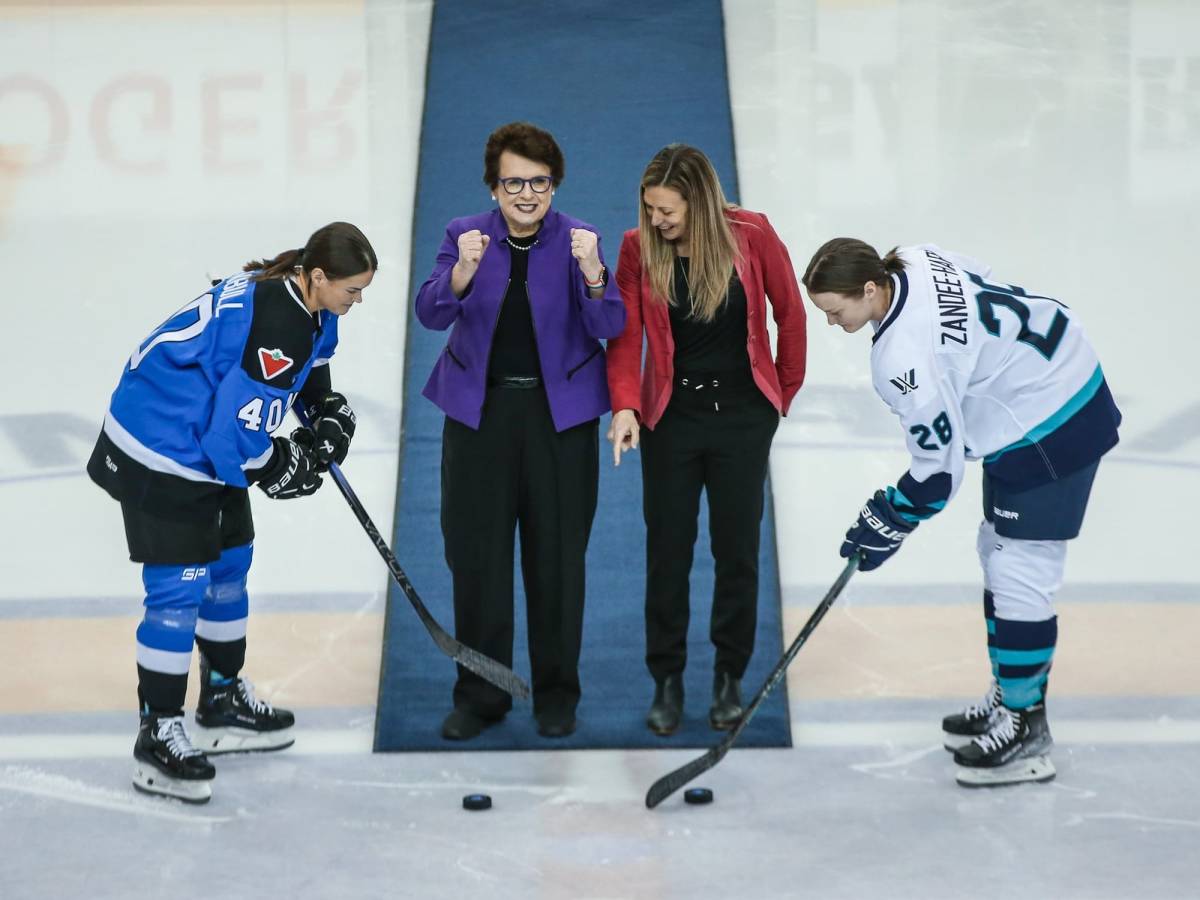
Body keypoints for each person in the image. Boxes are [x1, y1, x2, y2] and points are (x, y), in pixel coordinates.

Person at [802, 237, 1121, 786]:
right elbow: (983, 278)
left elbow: (938, 475)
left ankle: (1027, 728)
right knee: (996, 551)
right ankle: (1011, 694)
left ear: (871, 289)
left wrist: (888, 517)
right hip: (1044, 380)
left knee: (1020, 570)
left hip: (1052, 419)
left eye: (836, 311)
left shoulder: (902, 360)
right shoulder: (916, 255)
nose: (833, 324)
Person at [87, 222, 377, 803]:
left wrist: (324, 411)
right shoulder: (279, 322)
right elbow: (231, 441)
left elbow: (309, 362)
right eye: (352, 290)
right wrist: (280, 466)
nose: (357, 301)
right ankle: (158, 733)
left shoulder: (305, 300)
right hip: (161, 448)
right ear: (318, 277)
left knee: (229, 564)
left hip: (197, 437)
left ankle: (220, 699)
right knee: (178, 588)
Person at [415, 122, 625, 741]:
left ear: (554, 185)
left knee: (558, 558)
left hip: (558, 422)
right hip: (479, 417)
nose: (527, 194)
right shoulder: (464, 234)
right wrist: (462, 272)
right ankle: (482, 694)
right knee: (475, 558)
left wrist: (592, 272)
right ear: (494, 185)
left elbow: (610, 320)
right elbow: (430, 312)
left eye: (539, 182)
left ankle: (557, 694)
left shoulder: (580, 239)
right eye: (514, 183)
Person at [606, 144, 807, 736]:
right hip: (673, 417)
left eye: (667, 210)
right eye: (650, 209)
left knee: (737, 552)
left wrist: (782, 395)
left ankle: (729, 677)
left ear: (699, 200)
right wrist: (625, 406)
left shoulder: (752, 233)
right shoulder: (638, 247)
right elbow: (624, 337)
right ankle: (667, 680)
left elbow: (789, 312)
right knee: (668, 553)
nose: (658, 220)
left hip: (743, 417)